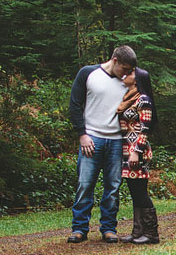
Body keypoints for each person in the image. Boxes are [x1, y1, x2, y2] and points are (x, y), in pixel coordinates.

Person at [67, 45, 137, 243]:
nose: (127, 73)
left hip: (117, 140)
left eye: (130, 70)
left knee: (113, 186)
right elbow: (75, 104)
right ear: (114, 60)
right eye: (124, 69)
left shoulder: (129, 81)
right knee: (85, 183)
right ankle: (79, 228)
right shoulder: (88, 73)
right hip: (92, 138)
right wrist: (82, 134)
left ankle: (108, 228)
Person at [117, 67, 160, 244]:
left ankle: (151, 233)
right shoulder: (128, 98)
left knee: (141, 192)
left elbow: (145, 129)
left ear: (137, 80)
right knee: (134, 192)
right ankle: (137, 231)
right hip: (126, 151)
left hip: (137, 152)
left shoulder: (143, 100)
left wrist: (136, 152)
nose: (126, 74)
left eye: (131, 73)